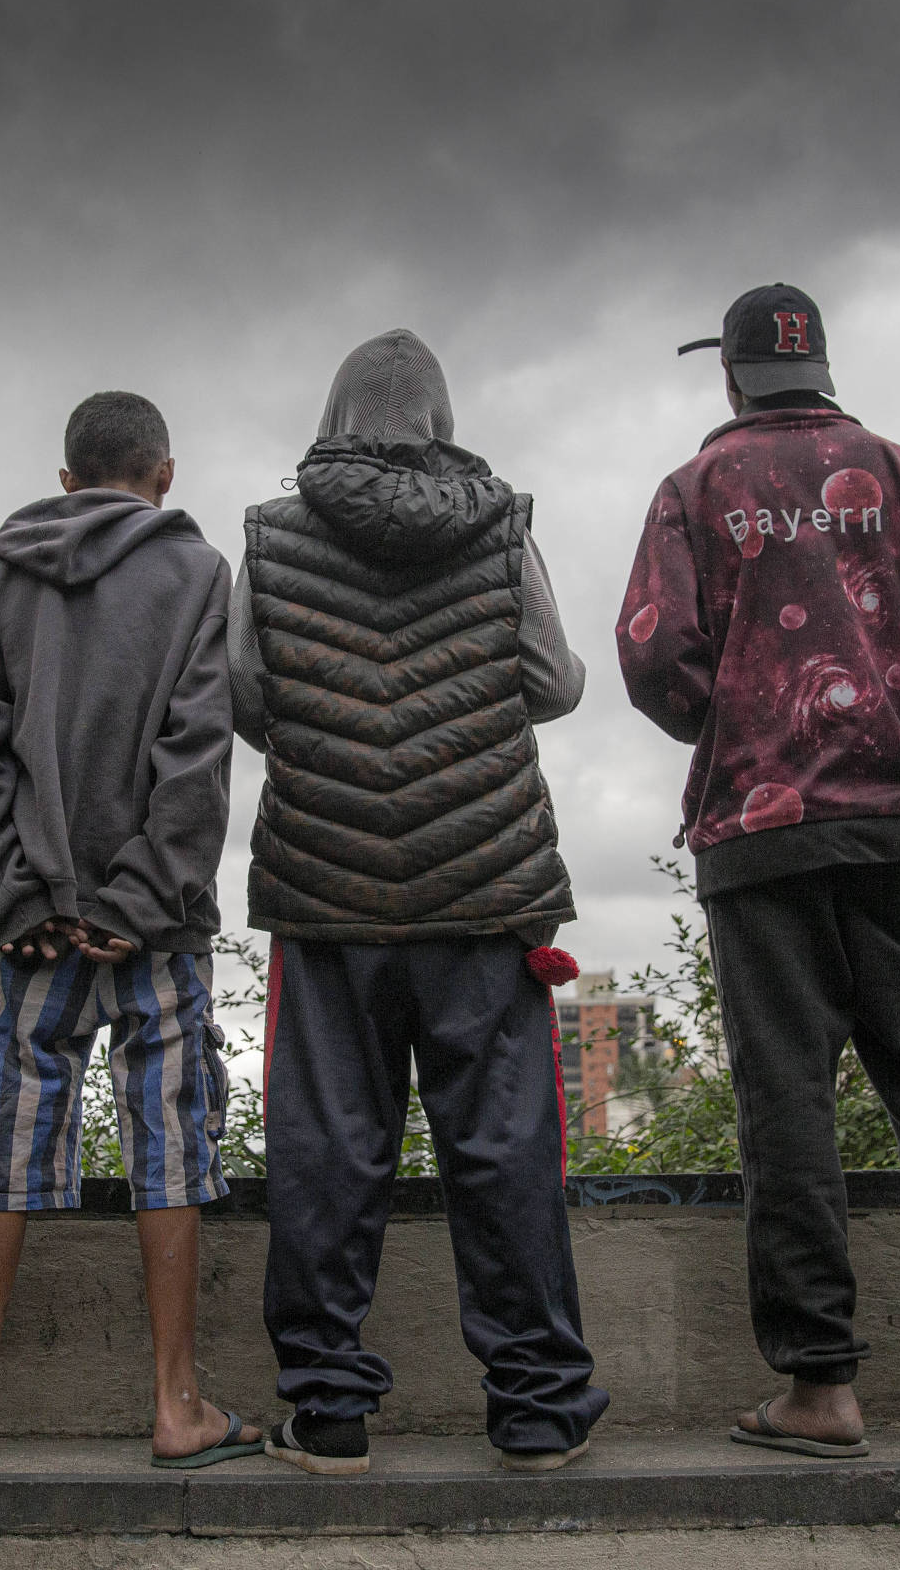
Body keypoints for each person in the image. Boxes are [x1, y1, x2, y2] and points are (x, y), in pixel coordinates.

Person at [616, 285, 900, 1456]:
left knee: (787, 1103)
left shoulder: (694, 493)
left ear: (732, 378)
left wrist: (752, 713)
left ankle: (822, 1389)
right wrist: (893, 701)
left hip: (762, 845)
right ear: (821, 370)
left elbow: (658, 661)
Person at [237, 329, 607, 1475]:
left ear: (334, 415)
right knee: (501, 1147)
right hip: (483, 890)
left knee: (328, 1147)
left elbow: (249, 693)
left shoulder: (272, 529)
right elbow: (556, 679)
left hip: (327, 889)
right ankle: (538, 1406)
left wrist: (335, 748)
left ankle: (331, 1409)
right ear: (441, 422)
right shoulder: (500, 523)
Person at [0, 390, 251, 1468]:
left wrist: (12, 897)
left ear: (67, 480)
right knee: (169, 1145)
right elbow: (198, 750)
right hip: (151, 930)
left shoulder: (2, 569)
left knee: (4, 1153)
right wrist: (144, 898)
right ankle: (176, 1405)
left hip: (33, 929)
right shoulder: (200, 574)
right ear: (165, 472)